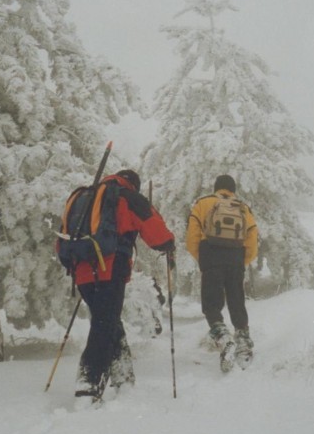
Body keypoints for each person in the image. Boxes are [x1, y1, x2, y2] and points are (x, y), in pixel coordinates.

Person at [59, 169, 175, 397]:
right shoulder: (127, 197)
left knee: (107, 320)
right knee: (104, 323)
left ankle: (123, 377)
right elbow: (155, 231)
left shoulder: (86, 197)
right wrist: (168, 244)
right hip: (110, 267)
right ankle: (89, 381)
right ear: (135, 184)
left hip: (81, 270)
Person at [185, 174, 258, 369]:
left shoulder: (203, 204)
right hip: (235, 259)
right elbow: (252, 239)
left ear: (216, 187)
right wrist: (242, 261)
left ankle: (224, 337)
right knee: (236, 300)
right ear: (233, 190)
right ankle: (243, 341)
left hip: (211, 257)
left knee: (211, 304)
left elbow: (192, 237)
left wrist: (203, 258)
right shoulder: (242, 207)